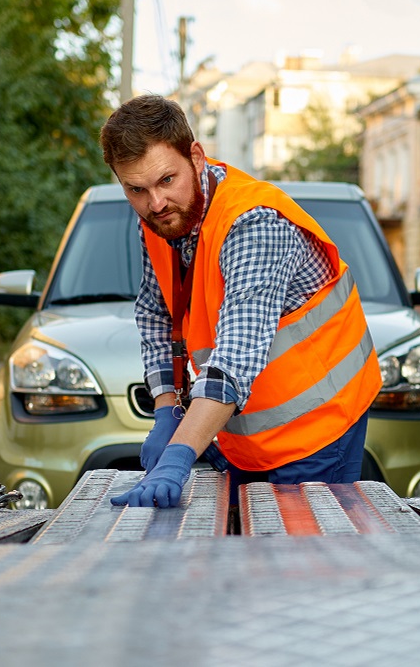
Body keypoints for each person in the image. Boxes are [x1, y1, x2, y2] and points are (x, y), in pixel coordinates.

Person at [100, 94, 380, 508]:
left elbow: (235, 355)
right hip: (240, 434)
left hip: (317, 431)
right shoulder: (161, 219)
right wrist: (166, 411)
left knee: (304, 565)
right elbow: (157, 315)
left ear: (196, 157)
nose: (155, 203)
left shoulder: (253, 223)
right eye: (136, 189)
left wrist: (179, 454)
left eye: (166, 180)